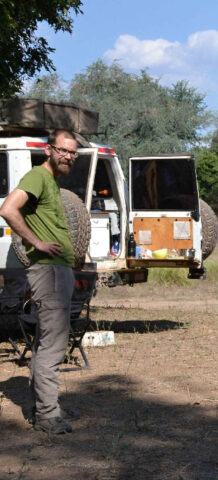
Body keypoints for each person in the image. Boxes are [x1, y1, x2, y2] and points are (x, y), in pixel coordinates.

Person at [0, 129, 78, 434]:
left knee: (49, 341)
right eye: (63, 150)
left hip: (57, 269)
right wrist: (38, 242)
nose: (68, 157)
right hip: (49, 270)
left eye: (73, 153)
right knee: (54, 345)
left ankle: (47, 405)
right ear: (49, 150)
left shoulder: (50, 182)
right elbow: (8, 208)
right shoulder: (37, 176)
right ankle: (47, 415)